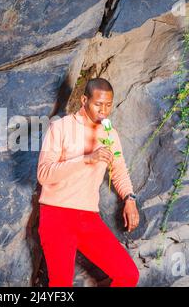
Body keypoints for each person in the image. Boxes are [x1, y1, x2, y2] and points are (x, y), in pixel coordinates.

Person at [37, 78, 140, 287]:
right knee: (60, 286)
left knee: (128, 274)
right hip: (56, 215)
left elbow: (118, 170)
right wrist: (86, 158)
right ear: (84, 100)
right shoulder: (61, 127)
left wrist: (129, 199)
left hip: (87, 217)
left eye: (108, 105)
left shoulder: (110, 133)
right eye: (98, 104)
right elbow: (44, 174)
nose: (104, 110)